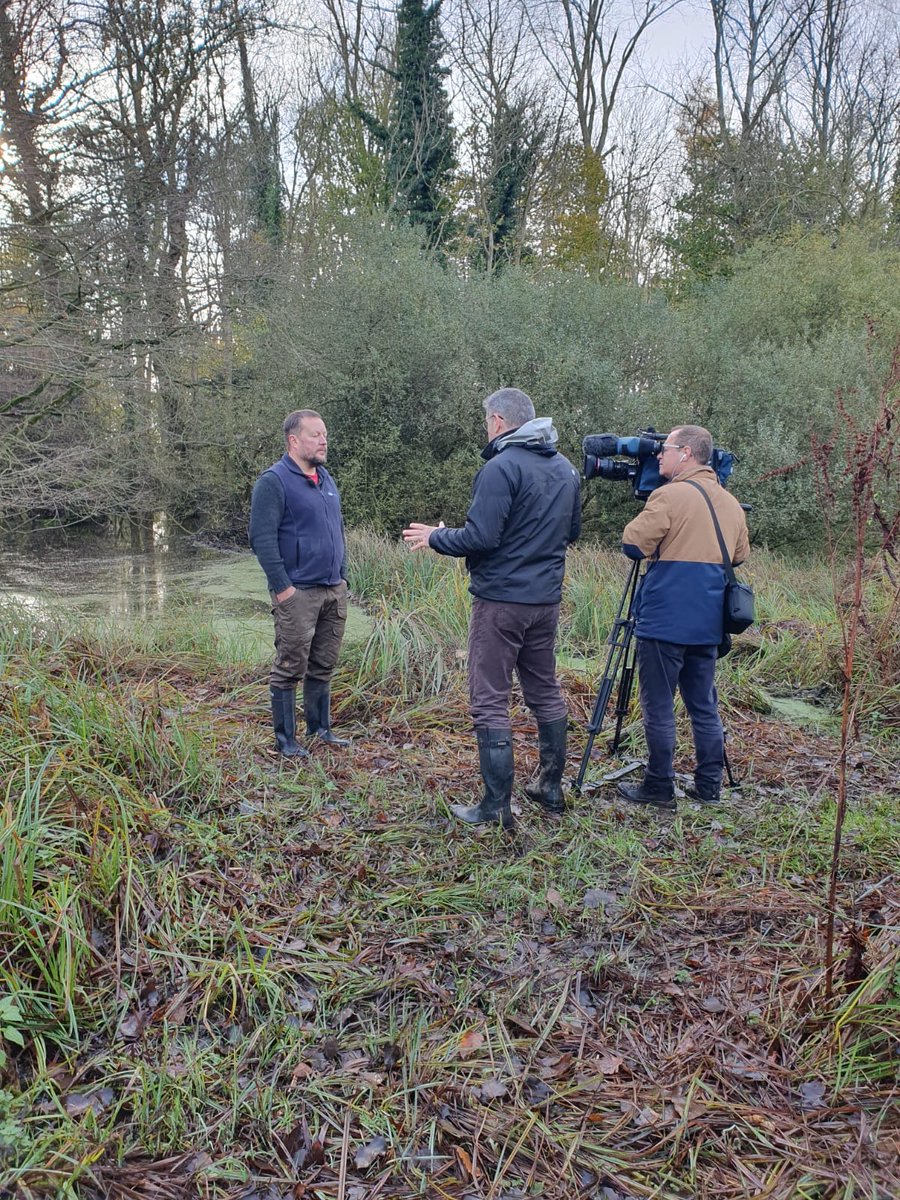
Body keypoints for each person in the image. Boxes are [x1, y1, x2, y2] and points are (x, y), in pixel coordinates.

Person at [403, 388, 581, 829]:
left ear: (499, 421)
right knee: (544, 689)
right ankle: (549, 785)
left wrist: (436, 537)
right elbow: (570, 532)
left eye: (487, 421)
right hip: (545, 602)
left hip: (501, 602)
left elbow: (481, 537)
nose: (487, 428)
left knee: (489, 700)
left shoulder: (500, 468)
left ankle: (495, 805)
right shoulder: (565, 469)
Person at [617, 425, 750, 810]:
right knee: (703, 705)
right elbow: (740, 554)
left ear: (687, 453)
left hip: (664, 618)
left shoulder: (668, 495)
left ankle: (659, 786)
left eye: (667, 448)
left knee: (659, 706)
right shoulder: (730, 502)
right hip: (708, 621)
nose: (660, 454)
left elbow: (633, 544)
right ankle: (709, 786)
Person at [249, 410, 349, 757]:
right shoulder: (273, 482)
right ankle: (286, 741)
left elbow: (337, 530)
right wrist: (283, 588)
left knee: (324, 663)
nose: (323, 441)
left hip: (333, 589)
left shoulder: (326, 480)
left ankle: (320, 730)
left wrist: (343, 575)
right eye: (315, 435)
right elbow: (261, 538)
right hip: (298, 593)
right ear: (294, 441)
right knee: (290, 665)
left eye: (325, 434)